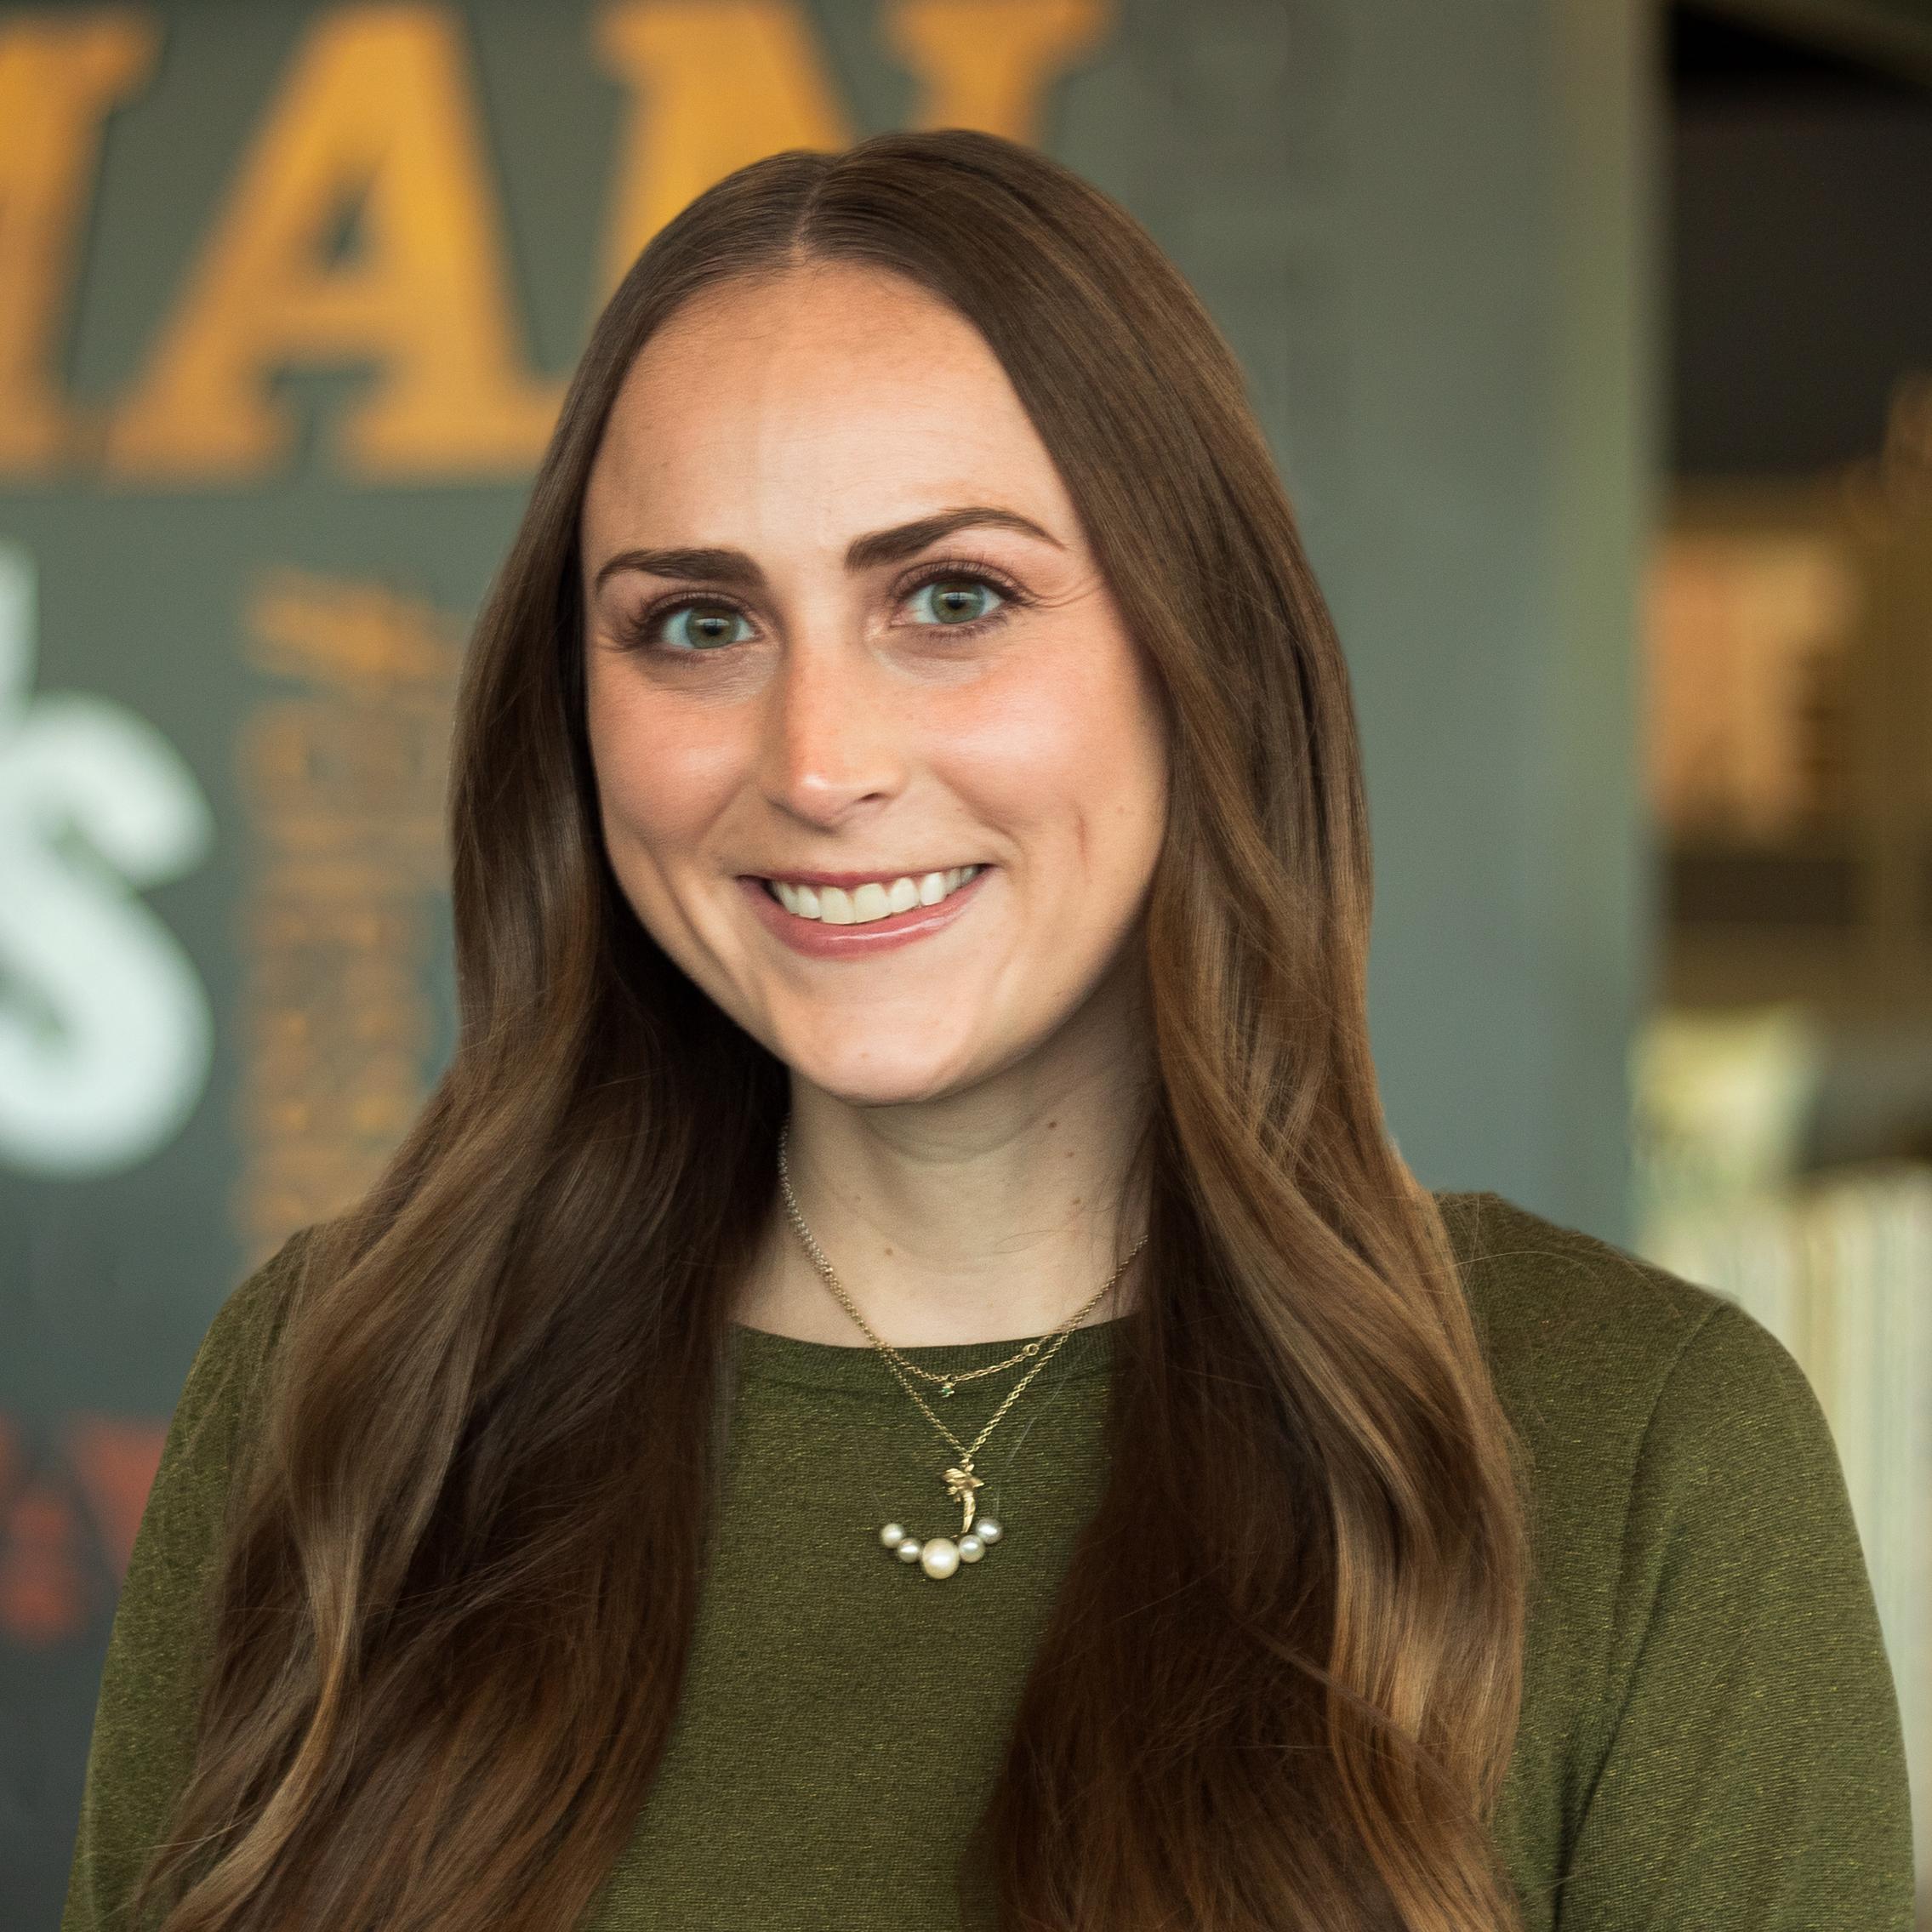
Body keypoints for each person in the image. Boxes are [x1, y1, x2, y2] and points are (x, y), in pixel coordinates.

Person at [63, 128, 1911, 1932]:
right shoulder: (342, 1394)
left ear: (1200, 651)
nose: (816, 763)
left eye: (950, 599)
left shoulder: (1634, 1448)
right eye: (697, 623)